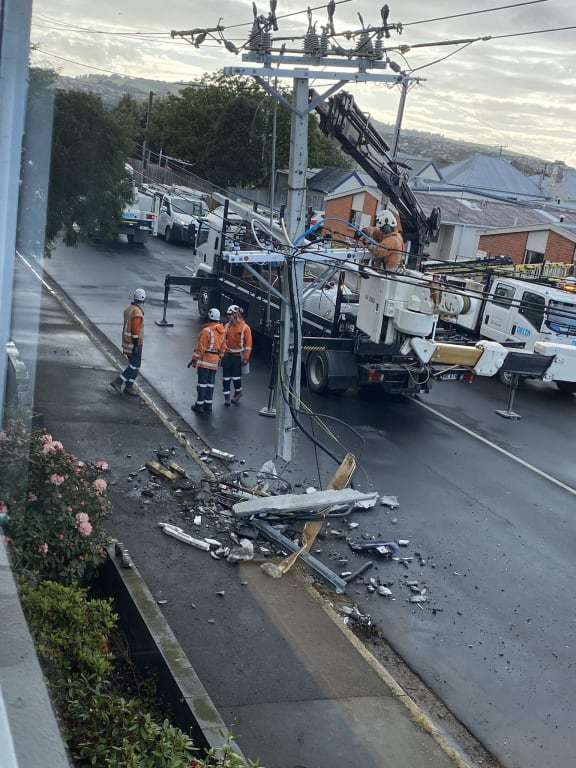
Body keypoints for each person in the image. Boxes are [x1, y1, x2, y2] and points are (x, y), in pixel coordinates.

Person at [188, 308, 226, 413]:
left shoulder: (206, 331)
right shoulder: (222, 331)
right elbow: (223, 348)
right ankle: (208, 405)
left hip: (205, 361)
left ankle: (199, 405)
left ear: (209, 317)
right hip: (214, 362)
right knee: (210, 384)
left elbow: (201, 348)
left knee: (202, 384)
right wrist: (220, 358)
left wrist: (194, 359)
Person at [110, 288, 146, 397]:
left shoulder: (129, 308)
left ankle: (129, 386)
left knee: (136, 366)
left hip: (127, 341)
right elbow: (135, 331)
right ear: (144, 300)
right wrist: (136, 345)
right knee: (134, 366)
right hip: (133, 343)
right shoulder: (137, 313)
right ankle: (119, 381)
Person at [222, 304, 252, 406]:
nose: (228, 316)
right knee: (226, 378)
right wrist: (221, 355)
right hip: (227, 355)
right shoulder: (226, 326)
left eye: (230, 315)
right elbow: (222, 341)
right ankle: (226, 397)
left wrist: (246, 358)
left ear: (236, 315)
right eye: (227, 315)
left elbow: (248, 345)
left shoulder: (245, 328)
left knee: (236, 377)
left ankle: (238, 392)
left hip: (238, 356)